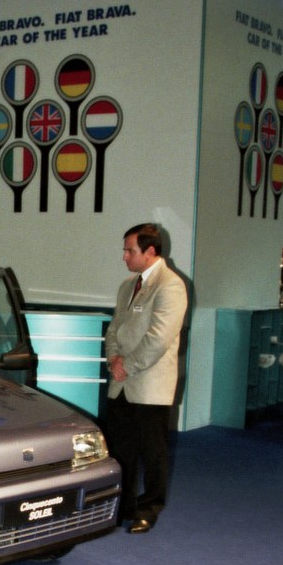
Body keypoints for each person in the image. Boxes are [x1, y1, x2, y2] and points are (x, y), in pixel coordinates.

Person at [104, 222, 188, 535]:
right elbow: (114, 328)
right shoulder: (128, 286)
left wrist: (128, 365)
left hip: (150, 385)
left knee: (153, 453)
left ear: (150, 251)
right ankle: (124, 506)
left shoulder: (171, 285)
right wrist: (113, 359)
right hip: (121, 383)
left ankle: (149, 509)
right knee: (120, 450)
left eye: (130, 251)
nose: (124, 256)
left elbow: (159, 338)